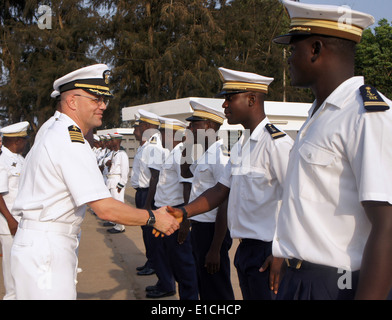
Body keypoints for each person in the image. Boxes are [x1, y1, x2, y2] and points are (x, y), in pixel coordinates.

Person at [10, 64, 180, 300]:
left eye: (105, 99)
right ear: (72, 101)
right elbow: (105, 209)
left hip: (41, 243)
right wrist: (153, 218)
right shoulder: (70, 141)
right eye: (96, 98)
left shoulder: (52, 127)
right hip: (47, 248)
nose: (103, 105)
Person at [271, 0, 392, 300]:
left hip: (338, 285)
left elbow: (388, 224)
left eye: (292, 49)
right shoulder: (318, 115)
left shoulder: (366, 114)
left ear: (315, 49)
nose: (288, 59)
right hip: (299, 277)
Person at [167, 67, 293, 299]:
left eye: (230, 98)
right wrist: (182, 212)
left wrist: (282, 252)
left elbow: (296, 199)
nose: (224, 105)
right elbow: (220, 191)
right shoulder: (242, 146)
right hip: (246, 249)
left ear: (252, 99)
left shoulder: (277, 144)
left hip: (268, 251)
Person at [183, 98, 234, 300]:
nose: (190, 128)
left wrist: (215, 248)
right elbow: (185, 172)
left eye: (194, 124)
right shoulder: (205, 154)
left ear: (209, 126)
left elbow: (224, 203)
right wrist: (187, 144)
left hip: (214, 231)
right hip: (201, 228)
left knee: (218, 288)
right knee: (205, 284)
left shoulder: (220, 157)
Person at [147, 116, 198, 299]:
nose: (160, 135)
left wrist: (185, 220)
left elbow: (187, 187)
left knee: (183, 263)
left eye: (163, 132)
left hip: (175, 212)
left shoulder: (180, 153)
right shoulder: (172, 152)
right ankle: (168, 286)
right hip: (165, 211)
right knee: (170, 257)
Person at [130, 109, 166, 276]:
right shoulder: (145, 146)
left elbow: (155, 177)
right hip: (142, 192)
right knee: (145, 233)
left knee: (152, 235)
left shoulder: (153, 147)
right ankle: (150, 261)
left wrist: (147, 203)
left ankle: (155, 264)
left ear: (146, 126)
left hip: (148, 195)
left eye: (138, 126)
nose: (135, 131)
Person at [0, 121, 29, 299]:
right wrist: (10, 221)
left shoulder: (19, 159)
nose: (26, 143)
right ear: (17, 141)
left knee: (20, 265)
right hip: (8, 222)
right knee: (11, 268)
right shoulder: (2, 160)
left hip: (20, 220)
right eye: (25, 140)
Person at [105, 132, 130, 234]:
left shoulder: (122, 154)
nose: (111, 142)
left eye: (113, 140)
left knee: (118, 204)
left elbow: (125, 171)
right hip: (111, 180)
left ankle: (120, 226)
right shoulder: (114, 153)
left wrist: (121, 184)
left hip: (117, 181)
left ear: (118, 141)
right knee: (113, 203)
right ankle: (114, 222)